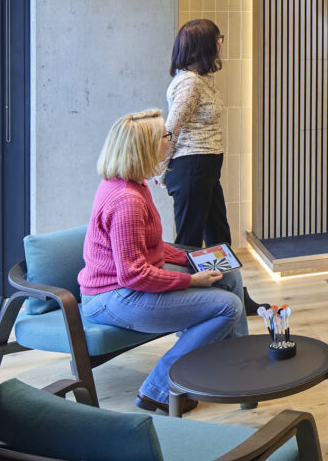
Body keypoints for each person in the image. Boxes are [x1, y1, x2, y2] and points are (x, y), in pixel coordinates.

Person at [78, 109, 247, 412]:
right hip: (115, 297)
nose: (170, 141)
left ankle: (232, 365)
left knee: (228, 273)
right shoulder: (126, 201)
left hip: (129, 284)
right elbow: (134, 275)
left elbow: (152, 246)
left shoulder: (134, 184)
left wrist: (193, 259)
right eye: (165, 136)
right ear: (145, 148)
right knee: (228, 306)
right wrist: (191, 278)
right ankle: (156, 389)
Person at [162, 18, 230, 249]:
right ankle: (189, 285)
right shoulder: (189, 83)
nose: (220, 44)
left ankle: (225, 284)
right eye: (217, 39)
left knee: (219, 237)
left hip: (206, 166)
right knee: (190, 242)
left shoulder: (203, 79)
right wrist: (161, 167)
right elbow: (171, 129)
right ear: (205, 45)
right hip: (192, 166)